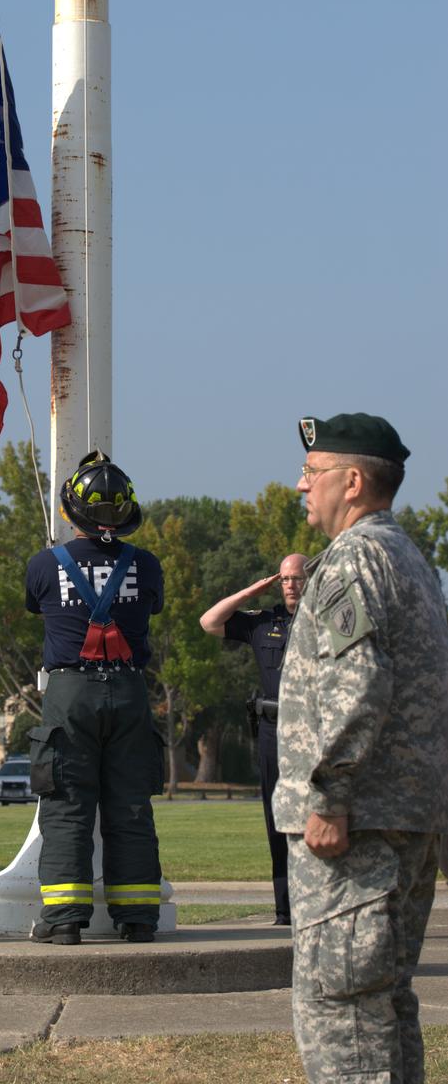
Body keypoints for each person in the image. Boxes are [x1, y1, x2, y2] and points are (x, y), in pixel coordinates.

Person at [274, 413, 448, 1084]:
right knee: (382, 1002)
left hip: (357, 827)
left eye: (311, 474)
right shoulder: (409, 557)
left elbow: (357, 682)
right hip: (401, 816)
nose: (299, 485)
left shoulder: (353, 558)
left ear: (351, 482)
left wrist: (330, 795)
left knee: (340, 1008)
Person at [25, 450, 165, 945]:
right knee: (130, 805)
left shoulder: (45, 565)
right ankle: (139, 916)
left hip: (70, 692)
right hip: (128, 691)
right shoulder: (145, 566)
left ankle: (64, 918)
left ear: (69, 512)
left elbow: (37, 604)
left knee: (66, 805)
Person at [199, 553, 308, 926]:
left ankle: (316, 903)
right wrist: (251, 591)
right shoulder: (265, 623)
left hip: (314, 732)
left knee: (316, 818)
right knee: (276, 819)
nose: (292, 584)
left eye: (298, 577)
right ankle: (284, 909)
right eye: (286, 579)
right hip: (273, 731)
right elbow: (209, 622)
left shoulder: (325, 621)